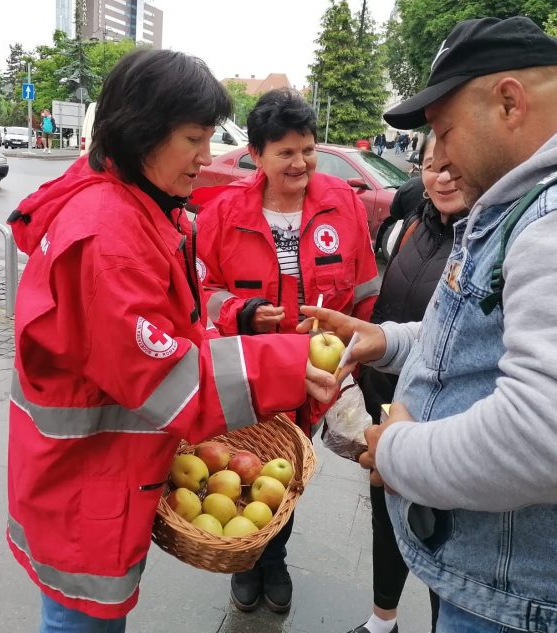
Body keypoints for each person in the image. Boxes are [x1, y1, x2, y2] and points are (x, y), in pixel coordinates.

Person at [299, 16, 557, 633]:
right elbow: (490, 341)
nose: (443, 158)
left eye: (446, 131)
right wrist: (389, 342)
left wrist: (398, 452)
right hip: (521, 585)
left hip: (527, 599)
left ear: (509, 101)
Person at [5, 49, 337, 632]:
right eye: (194, 139)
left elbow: (173, 330)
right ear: (141, 135)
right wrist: (288, 364)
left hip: (96, 478)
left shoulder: (140, 208)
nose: (208, 157)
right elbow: (165, 375)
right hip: (84, 489)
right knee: (80, 619)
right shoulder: (107, 237)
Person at [195, 87, 380, 615]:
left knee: (292, 468)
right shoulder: (224, 213)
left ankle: (273, 554)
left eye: (308, 148)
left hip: (320, 374)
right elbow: (201, 293)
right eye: (285, 152)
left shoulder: (342, 203)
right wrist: (243, 312)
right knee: (244, 462)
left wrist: (358, 356)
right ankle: (245, 559)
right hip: (250, 373)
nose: (300, 163)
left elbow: (365, 289)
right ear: (256, 154)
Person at [348, 132, 466, 633]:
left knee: (451, 539)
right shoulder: (419, 222)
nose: (441, 175)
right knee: (386, 511)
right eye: (430, 165)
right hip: (387, 400)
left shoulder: (488, 240)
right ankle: (382, 620)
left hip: (449, 421)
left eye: (453, 164)